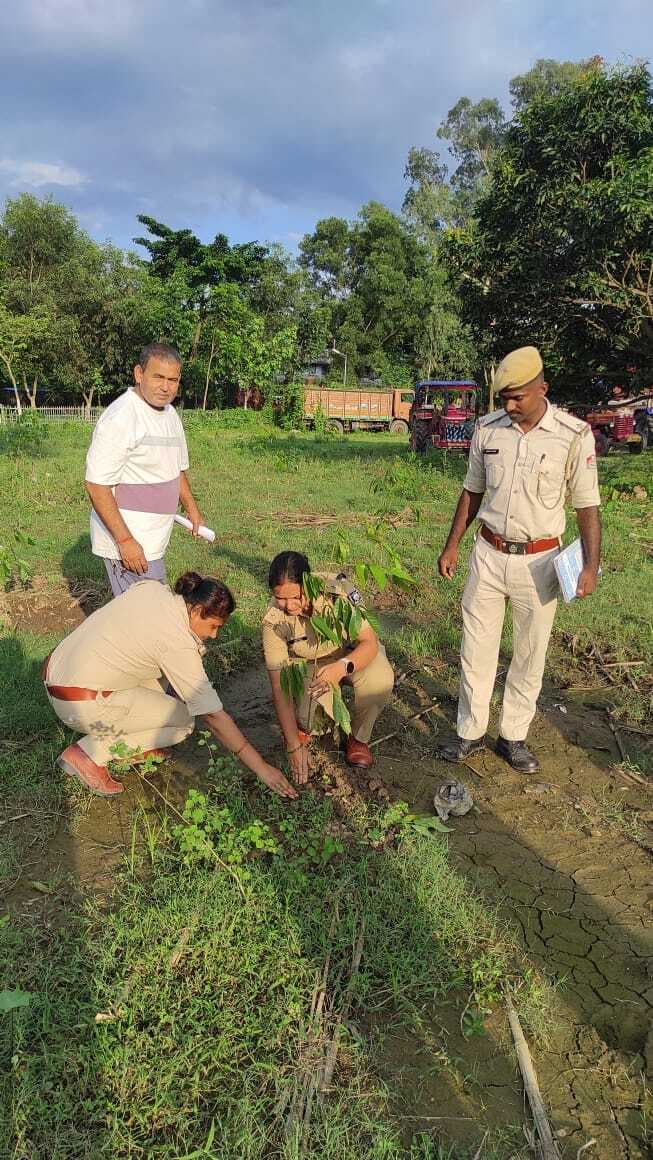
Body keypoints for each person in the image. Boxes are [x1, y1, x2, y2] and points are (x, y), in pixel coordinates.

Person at [437, 346, 601, 774]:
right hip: (488, 554)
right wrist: (452, 544)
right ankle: (469, 731)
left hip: (540, 561)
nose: (509, 406)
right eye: (504, 397)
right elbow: (471, 491)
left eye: (517, 397)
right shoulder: (488, 430)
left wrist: (588, 566)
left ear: (542, 388)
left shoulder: (573, 435)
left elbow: (587, 507)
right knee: (476, 647)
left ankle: (513, 736)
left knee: (530, 652)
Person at [43, 571, 297, 800]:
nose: (214, 635)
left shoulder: (154, 590)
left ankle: (135, 744)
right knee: (183, 722)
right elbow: (213, 716)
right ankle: (87, 754)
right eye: (213, 626)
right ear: (197, 610)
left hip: (58, 673)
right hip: (80, 702)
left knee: (165, 685)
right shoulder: (177, 642)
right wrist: (263, 769)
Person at [85, 342, 204, 598]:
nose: (165, 386)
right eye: (158, 377)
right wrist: (125, 542)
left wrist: (192, 508)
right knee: (147, 615)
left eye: (172, 379)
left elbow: (177, 470)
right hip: (130, 542)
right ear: (139, 374)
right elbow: (96, 486)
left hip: (153, 539)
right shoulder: (121, 417)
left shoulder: (170, 415)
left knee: (140, 614)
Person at [262, 551, 394, 778]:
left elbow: (369, 643)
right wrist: (293, 744)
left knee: (378, 680)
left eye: (296, 597)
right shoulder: (273, 620)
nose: (289, 605)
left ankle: (358, 738)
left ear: (309, 583)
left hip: (351, 654)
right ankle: (314, 724)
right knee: (307, 717)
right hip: (310, 664)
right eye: (280, 598)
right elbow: (278, 686)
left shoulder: (339, 591)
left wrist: (341, 667)